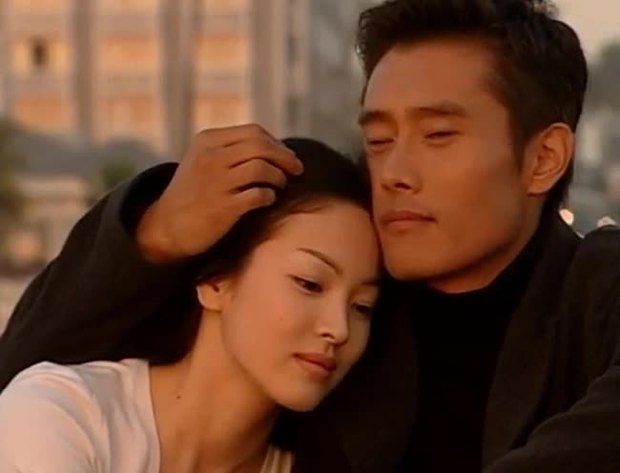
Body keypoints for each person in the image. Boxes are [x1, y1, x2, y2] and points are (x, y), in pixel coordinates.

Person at [1, 0, 620, 472]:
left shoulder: (596, 290)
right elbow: (30, 373)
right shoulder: (354, 305)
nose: (395, 172)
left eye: (438, 136)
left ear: (543, 159)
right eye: (378, 141)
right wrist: (157, 233)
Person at [0, 138, 381, 473]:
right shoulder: (64, 417)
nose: (339, 329)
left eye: (362, 307)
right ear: (215, 281)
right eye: (309, 283)